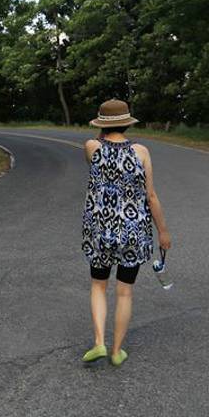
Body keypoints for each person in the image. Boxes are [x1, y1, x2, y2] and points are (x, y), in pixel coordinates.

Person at [80, 98, 172, 366]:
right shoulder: (141, 152)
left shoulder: (91, 147)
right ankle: (117, 351)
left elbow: (98, 147)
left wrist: (102, 130)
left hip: (100, 230)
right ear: (127, 123)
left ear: (101, 124)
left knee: (98, 285)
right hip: (133, 231)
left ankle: (99, 342)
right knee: (124, 292)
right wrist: (163, 232)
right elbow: (151, 196)